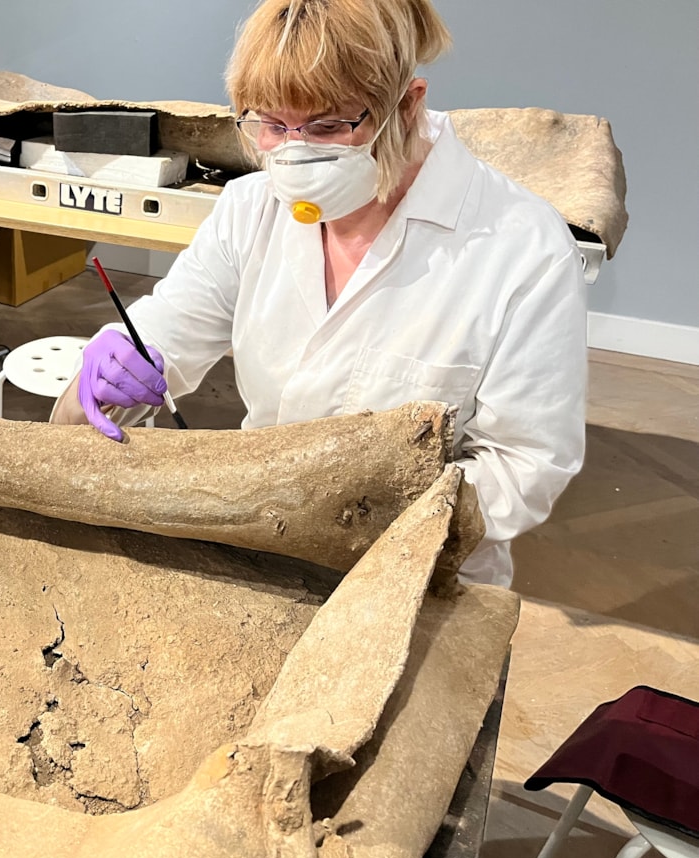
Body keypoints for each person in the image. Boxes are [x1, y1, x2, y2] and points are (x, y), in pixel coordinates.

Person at [51, 0, 588, 588]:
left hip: (416, 575)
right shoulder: (249, 210)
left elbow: (525, 466)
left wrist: (353, 512)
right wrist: (119, 358)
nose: (296, 150)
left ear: (408, 106)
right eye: (272, 125)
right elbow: (171, 327)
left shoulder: (519, 247)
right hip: (260, 549)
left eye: (328, 125)